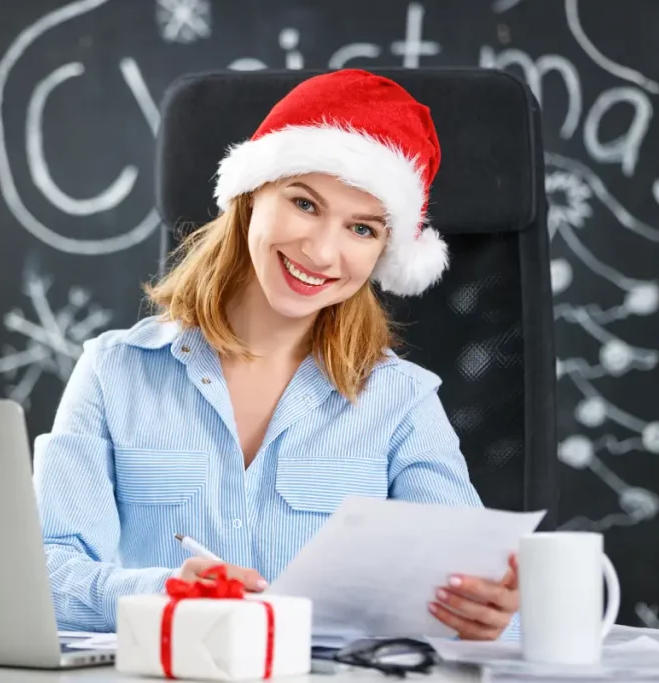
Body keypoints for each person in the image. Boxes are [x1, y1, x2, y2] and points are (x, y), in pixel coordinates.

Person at [32, 68, 521, 641]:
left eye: (362, 229)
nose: (321, 251)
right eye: (304, 204)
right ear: (251, 195)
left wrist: (491, 613)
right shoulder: (115, 373)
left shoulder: (400, 401)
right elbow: (43, 574)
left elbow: (479, 597)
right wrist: (168, 595)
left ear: (386, 251)